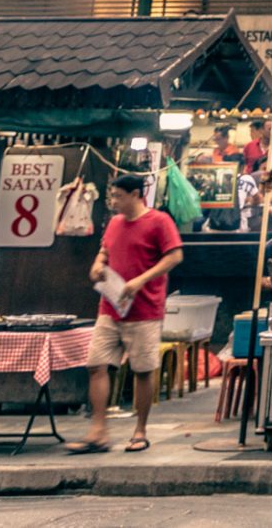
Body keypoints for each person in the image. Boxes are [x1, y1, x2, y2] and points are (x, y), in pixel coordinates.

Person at [68, 172, 181, 454]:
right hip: (110, 306)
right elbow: (105, 250)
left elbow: (174, 256)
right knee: (96, 364)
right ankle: (98, 431)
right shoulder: (115, 223)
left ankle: (140, 431)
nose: (114, 202)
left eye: (118, 196)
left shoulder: (159, 221)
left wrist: (141, 280)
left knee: (142, 370)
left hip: (145, 308)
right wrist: (97, 264)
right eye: (112, 196)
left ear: (135, 195)